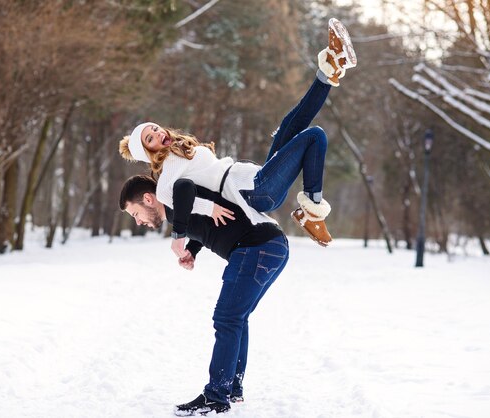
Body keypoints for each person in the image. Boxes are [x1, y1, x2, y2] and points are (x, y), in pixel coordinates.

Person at [119, 18, 357, 248]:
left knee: (290, 124)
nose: (157, 134)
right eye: (150, 139)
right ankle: (313, 213)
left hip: (257, 181)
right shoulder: (168, 164)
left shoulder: (178, 151)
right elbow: (166, 196)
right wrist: (207, 209)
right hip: (256, 191)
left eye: (155, 129)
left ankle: (330, 67)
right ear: (149, 152)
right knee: (315, 136)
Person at [119, 174, 289, 415]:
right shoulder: (179, 211)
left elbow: (185, 185)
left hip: (256, 247)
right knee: (236, 318)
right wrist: (192, 249)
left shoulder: (175, 199)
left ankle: (216, 397)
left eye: (135, 214)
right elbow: (205, 221)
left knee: (227, 319)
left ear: (148, 199)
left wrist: (179, 236)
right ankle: (231, 389)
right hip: (270, 246)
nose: (138, 222)